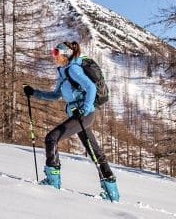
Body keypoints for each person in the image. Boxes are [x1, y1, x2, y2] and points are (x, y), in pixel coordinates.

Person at [23, 40, 120, 201]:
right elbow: (56, 96)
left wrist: (85, 109)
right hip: (78, 114)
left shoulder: (73, 69)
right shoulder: (63, 72)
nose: (53, 55)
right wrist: (34, 93)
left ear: (65, 55)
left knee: (51, 138)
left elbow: (91, 88)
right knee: (94, 151)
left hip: (84, 115)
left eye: (56, 53)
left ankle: (53, 182)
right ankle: (112, 191)